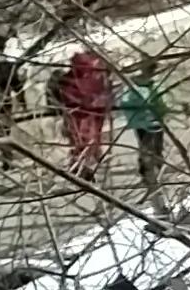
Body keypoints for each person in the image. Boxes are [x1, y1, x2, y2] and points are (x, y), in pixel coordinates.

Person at [53, 47, 115, 180]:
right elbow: (68, 94)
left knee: (85, 140)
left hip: (88, 114)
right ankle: (81, 167)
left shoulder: (93, 75)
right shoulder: (75, 78)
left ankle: (82, 166)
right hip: (82, 115)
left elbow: (103, 92)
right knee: (83, 140)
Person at [118, 64, 170, 191]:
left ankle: (150, 169)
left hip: (144, 122)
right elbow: (160, 104)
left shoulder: (138, 85)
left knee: (148, 145)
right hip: (150, 122)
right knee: (153, 146)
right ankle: (152, 170)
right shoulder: (148, 86)